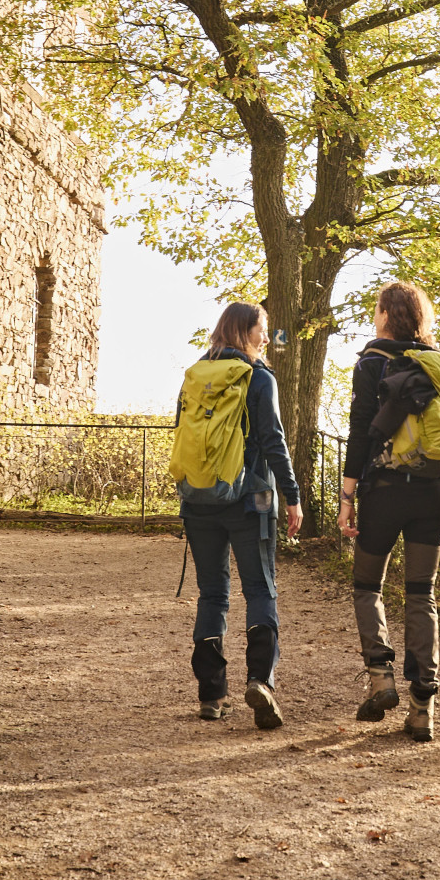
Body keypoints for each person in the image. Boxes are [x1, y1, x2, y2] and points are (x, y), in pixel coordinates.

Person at [337, 280, 440, 743]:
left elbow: (361, 430)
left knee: (367, 585)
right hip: (435, 492)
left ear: (386, 313)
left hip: (385, 491)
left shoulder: (372, 362)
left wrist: (347, 497)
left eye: (376, 308)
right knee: (421, 594)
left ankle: (381, 678)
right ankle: (424, 706)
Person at [173, 301, 303, 727]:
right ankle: (260, 681)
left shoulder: (195, 375)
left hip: (199, 499)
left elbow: (182, 434)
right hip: (254, 499)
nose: (267, 338)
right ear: (246, 332)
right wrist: (292, 495)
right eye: (263, 329)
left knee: (212, 593)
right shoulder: (259, 377)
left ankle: (211, 695)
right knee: (260, 590)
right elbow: (273, 442)